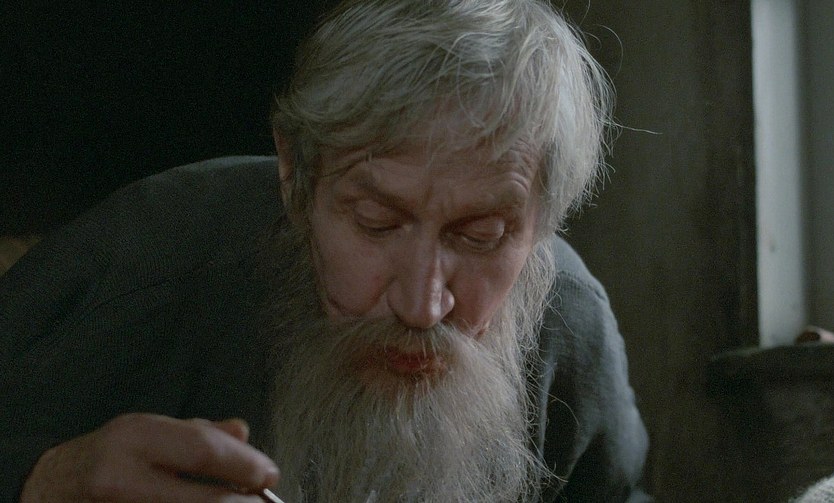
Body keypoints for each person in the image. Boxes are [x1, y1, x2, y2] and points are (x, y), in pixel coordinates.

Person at [0, 0, 650, 501]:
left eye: (480, 236)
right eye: (376, 221)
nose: (422, 305)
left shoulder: (569, 321)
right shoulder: (154, 257)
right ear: (295, 174)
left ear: (543, 221)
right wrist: (44, 478)